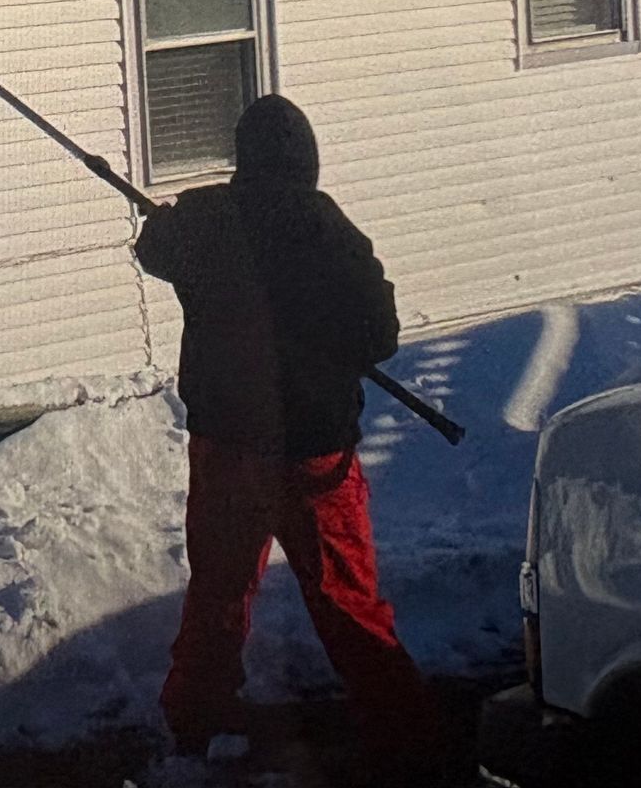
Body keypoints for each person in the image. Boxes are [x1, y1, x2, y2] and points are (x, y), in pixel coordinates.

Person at [135, 94, 442, 775]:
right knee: (347, 601)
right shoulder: (326, 228)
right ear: (305, 161)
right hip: (313, 456)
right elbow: (379, 335)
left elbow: (152, 249)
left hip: (227, 450)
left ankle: (193, 726)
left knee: (218, 589)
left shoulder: (209, 219)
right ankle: (407, 738)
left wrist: (171, 219)